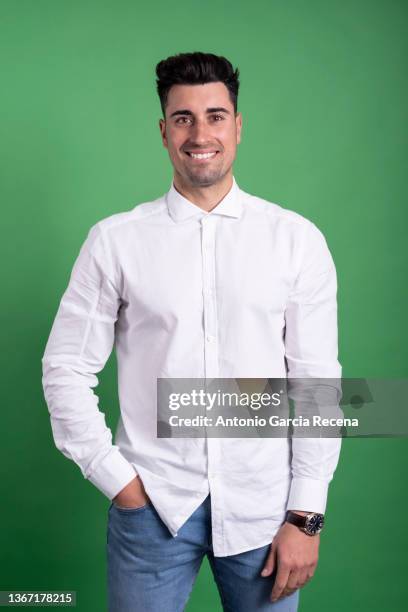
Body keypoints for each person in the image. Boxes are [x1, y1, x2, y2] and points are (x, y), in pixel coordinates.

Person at [41, 51, 342, 611]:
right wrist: (121, 484)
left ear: (238, 126)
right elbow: (65, 367)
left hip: (265, 510)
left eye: (215, 115)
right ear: (163, 131)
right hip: (152, 505)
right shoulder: (115, 241)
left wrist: (306, 513)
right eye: (183, 118)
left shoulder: (296, 240)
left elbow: (317, 383)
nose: (200, 133)